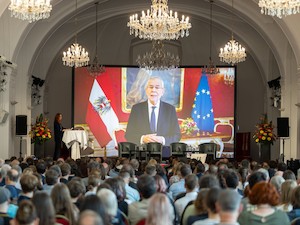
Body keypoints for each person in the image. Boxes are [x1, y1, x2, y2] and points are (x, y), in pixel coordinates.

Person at [125, 76, 181, 146]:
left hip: (164, 153)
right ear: (146, 90)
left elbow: (177, 135)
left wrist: (162, 140)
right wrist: (143, 138)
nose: (153, 90)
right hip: (142, 153)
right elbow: (129, 134)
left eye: (157, 87)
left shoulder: (170, 109)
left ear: (162, 91)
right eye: (151, 87)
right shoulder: (136, 109)